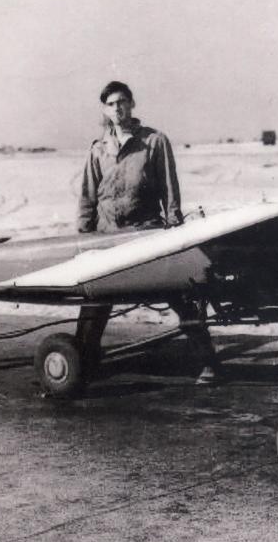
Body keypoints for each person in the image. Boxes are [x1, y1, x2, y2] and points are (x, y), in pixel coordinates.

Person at [77, 81, 221, 385]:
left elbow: (170, 188)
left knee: (180, 295)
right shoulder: (98, 149)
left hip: (147, 235)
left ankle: (207, 362)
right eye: (111, 104)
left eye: (123, 102)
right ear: (105, 109)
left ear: (132, 104)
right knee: (93, 304)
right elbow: (88, 196)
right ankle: (83, 364)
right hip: (106, 238)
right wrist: (83, 235)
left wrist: (173, 225)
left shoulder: (154, 141)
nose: (118, 108)